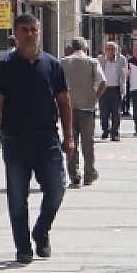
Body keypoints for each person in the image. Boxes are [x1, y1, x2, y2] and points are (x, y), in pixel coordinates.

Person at [0, 14, 74, 263]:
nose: (30, 34)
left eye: (33, 30)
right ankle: (22, 246)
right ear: (15, 33)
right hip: (15, 140)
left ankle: (41, 231)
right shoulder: (4, 66)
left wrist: (69, 138)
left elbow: (65, 102)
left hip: (47, 139)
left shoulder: (52, 65)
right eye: (24, 30)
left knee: (57, 189)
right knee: (17, 197)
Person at [60, 38, 104, 186]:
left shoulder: (63, 62)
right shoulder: (92, 62)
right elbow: (103, 82)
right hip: (87, 106)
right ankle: (89, 173)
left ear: (71, 48)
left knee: (71, 140)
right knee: (88, 142)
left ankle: (74, 175)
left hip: (68, 108)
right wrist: (95, 96)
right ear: (85, 48)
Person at [98, 40, 127, 141]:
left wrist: (123, 89)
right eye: (108, 49)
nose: (110, 51)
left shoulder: (121, 59)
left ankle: (115, 133)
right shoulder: (100, 59)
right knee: (104, 112)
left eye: (113, 49)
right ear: (105, 50)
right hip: (103, 89)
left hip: (116, 89)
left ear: (116, 50)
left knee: (116, 112)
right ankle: (105, 130)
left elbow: (124, 74)